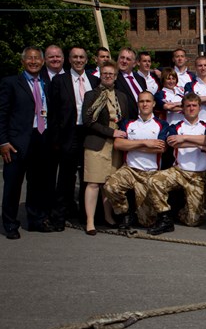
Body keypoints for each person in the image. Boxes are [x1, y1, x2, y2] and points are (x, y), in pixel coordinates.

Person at [0, 47, 56, 239]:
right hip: (17, 142)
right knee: (13, 186)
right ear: (23, 61)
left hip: (42, 138)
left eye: (37, 59)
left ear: (42, 62)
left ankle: (36, 220)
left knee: (38, 184)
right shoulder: (11, 83)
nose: (33, 62)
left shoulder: (47, 84)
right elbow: (2, 114)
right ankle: (9, 224)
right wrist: (3, 141)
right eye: (29, 59)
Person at [146, 93, 206, 235]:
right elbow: (172, 142)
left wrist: (184, 138)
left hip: (199, 176)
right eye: (188, 106)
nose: (191, 108)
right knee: (154, 180)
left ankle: (179, 212)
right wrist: (199, 144)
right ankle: (165, 217)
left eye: (194, 105)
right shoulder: (175, 126)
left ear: (199, 108)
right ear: (182, 108)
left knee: (193, 221)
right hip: (179, 171)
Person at [48, 46, 99, 230]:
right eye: (75, 57)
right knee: (65, 178)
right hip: (68, 134)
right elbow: (52, 114)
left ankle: (87, 217)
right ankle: (59, 217)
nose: (78, 60)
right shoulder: (59, 81)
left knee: (88, 175)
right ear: (69, 59)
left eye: (81, 57)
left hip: (89, 133)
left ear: (86, 60)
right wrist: (55, 139)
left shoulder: (94, 80)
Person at [103, 91, 168, 230]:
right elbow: (118, 145)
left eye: (148, 101)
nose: (145, 104)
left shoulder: (161, 124)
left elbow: (160, 148)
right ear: (138, 104)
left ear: (153, 104)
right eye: (141, 101)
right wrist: (145, 143)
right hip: (130, 169)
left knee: (147, 222)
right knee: (110, 186)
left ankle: (143, 215)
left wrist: (131, 145)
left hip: (150, 173)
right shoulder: (128, 123)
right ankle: (125, 214)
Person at [81, 59, 129, 235]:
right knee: (94, 183)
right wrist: (111, 132)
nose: (108, 76)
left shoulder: (121, 96)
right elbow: (88, 122)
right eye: (105, 73)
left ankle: (108, 217)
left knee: (109, 183)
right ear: (100, 76)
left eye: (111, 74)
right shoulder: (91, 95)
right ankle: (90, 221)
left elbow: (125, 120)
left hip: (115, 146)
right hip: (97, 143)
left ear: (116, 77)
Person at [114, 47, 147, 121]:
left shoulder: (140, 79)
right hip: (127, 122)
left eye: (128, 59)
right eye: (122, 58)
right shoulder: (114, 78)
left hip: (144, 120)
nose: (124, 61)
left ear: (134, 64)